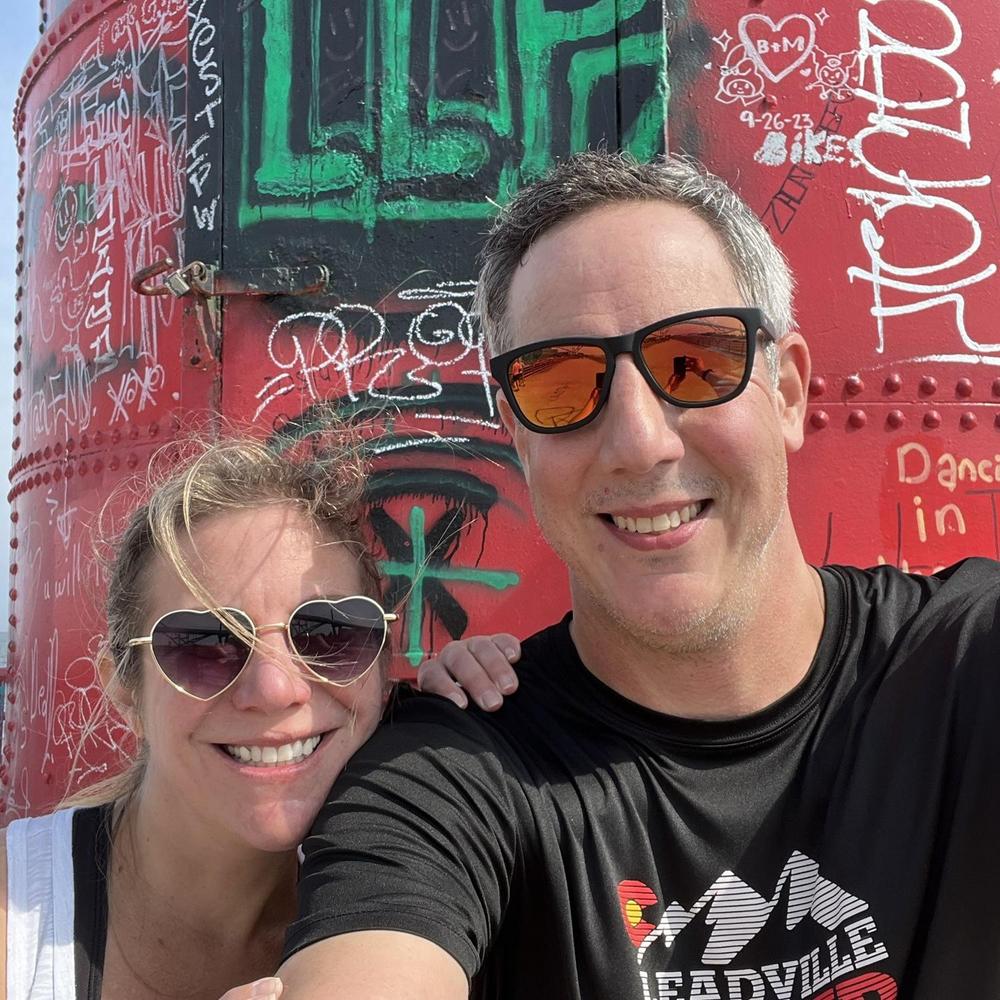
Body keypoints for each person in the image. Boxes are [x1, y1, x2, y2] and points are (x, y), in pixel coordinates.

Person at [274, 151, 1000, 998]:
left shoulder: (967, 670)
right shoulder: (452, 773)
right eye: (560, 383)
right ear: (518, 434)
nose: (639, 442)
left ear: (789, 393)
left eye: (695, 359)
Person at [0, 434, 517, 1000]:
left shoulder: (448, 884)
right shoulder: (16, 918)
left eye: (329, 633)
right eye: (204, 643)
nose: (274, 690)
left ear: (382, 666)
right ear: (124, 689)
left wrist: (461, 719)